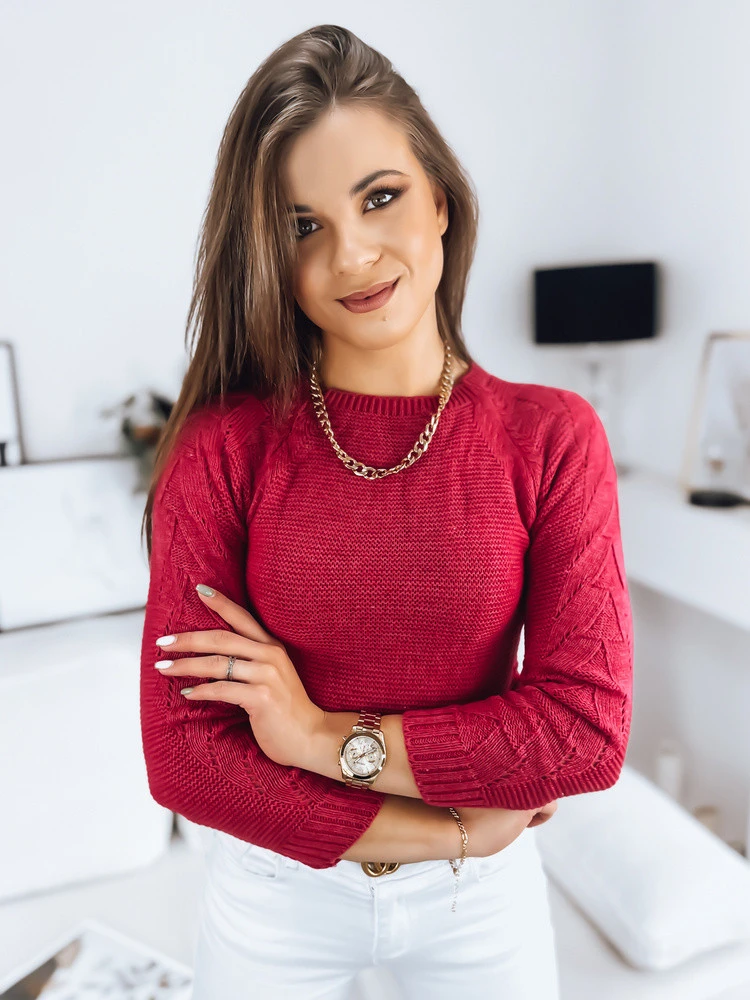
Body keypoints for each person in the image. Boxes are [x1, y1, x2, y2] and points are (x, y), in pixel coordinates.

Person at [139, 23, 634, 1000]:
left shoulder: (552, 437)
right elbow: (185, 759)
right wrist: (453, 831)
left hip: (479, 907)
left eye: (379, 197)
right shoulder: (222, 447)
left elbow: (584, 728)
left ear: (440, 200)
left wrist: (318, 738)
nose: (353, 254)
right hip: (281, 890)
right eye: (303, 227)